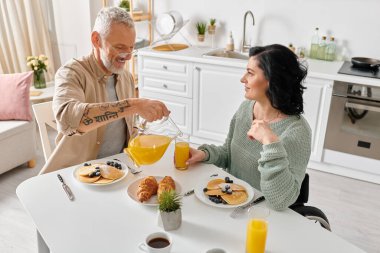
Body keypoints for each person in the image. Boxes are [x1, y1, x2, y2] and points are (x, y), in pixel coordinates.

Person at [40, 7, 169, 174]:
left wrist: (146, 132)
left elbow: (128, 128)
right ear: (96, 40)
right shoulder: (71, 73)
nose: (128, 56)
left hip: (117, 171)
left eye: (131, 48)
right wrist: (134, 105)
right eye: (120, 47)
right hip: (76, 175)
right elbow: (67, 121)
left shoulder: (126, 78)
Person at [187, 44, 311, 211]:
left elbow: (281, 201)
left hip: (261, 215)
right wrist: (204, 154)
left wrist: (270, 142)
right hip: (231, 203)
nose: (242, 78)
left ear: (271, 80)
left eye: (250, 73)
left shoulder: (297, 131)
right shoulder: (246, 108)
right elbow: (229, 154)